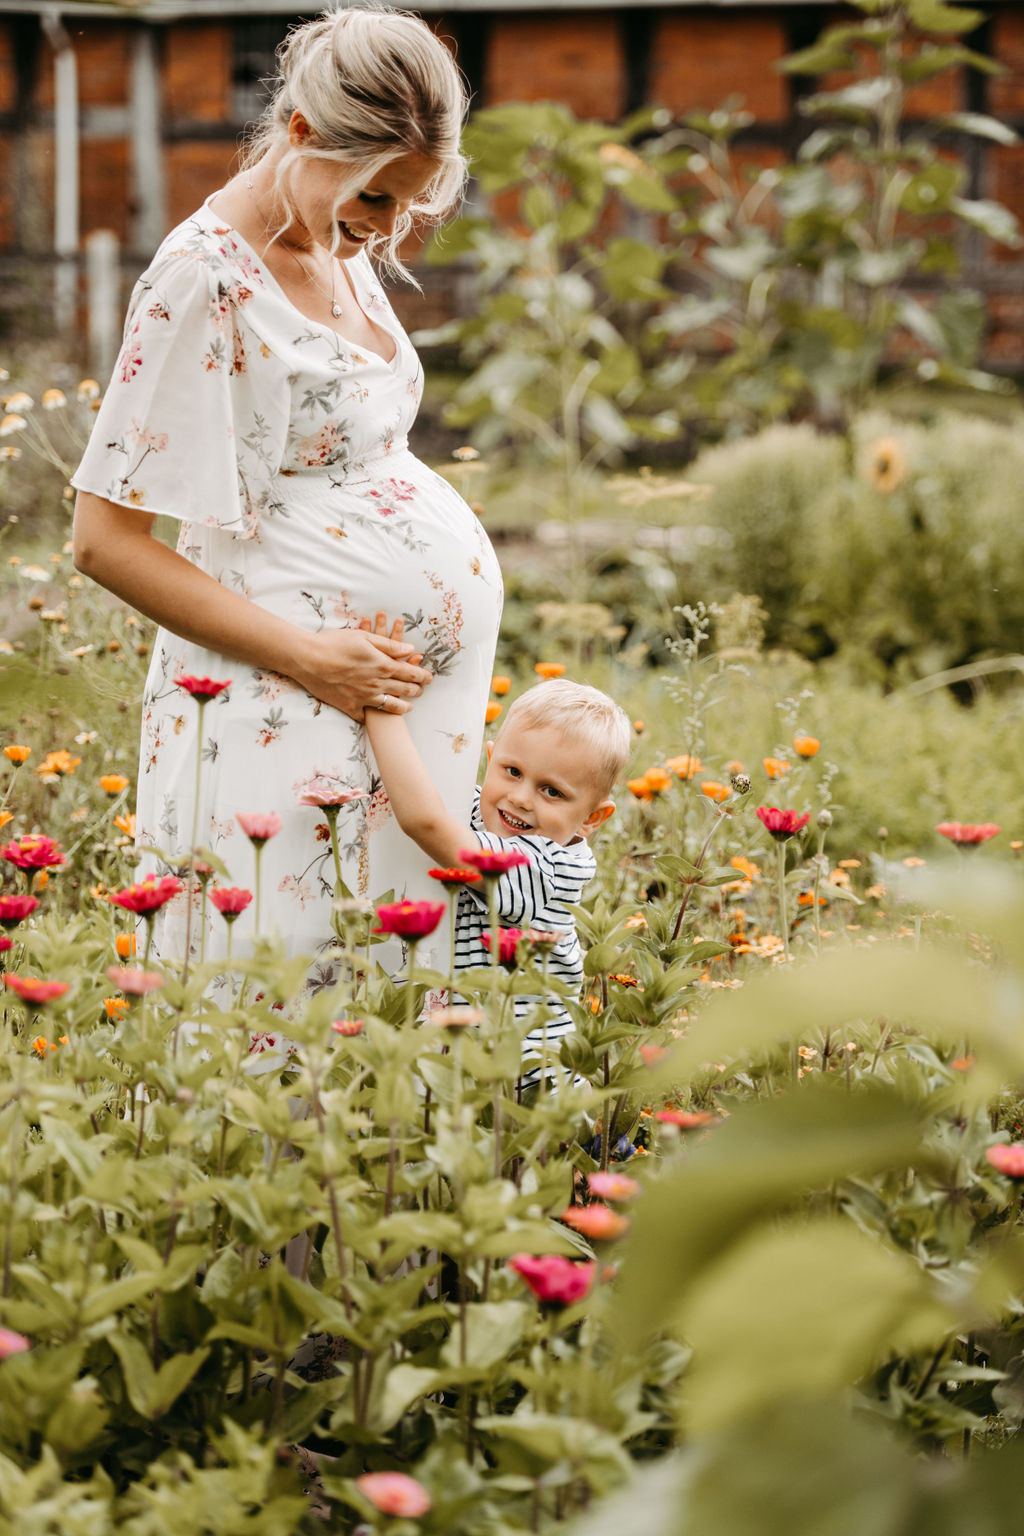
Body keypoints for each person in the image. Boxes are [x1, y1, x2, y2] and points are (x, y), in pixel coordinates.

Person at [70, 7, 502, 980]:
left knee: (380, 1017)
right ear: (302, 131)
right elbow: (103, 539)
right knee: (276, 992)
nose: (388, 228)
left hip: (383, 716)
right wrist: (314, 658)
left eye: (410, 204)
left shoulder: (333, 240)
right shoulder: (202, 280)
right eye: (376, 195)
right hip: (280, 697)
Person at [364, 654, 632, 1068]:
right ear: (490, 759)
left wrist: (379, 703)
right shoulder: (479, 811)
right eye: (512, 771)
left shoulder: (546, 867)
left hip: (523, 1078)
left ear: (592, 819)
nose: (520, 798)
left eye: (552, 792)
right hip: (461, 1059)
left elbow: (425, 821)